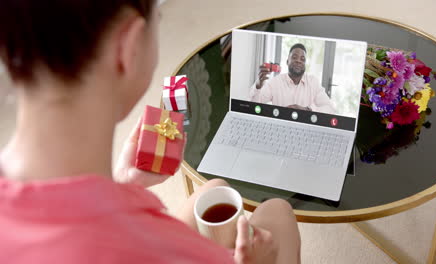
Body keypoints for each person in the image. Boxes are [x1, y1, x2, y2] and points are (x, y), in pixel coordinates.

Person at [0, 1, 300, 264]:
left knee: (212, 189)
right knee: (278, 214)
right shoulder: (166, 253)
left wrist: (120, 185)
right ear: (127, 49)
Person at [250, 43, 336, 114]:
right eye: (294, 57)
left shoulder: (313, 82)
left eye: (302, 59)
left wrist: (307, 110)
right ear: (287, 61)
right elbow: (254, 105)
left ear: (305, 64)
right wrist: (258, 85)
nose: (298, 61)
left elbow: (330, 109)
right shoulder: (275, 82)